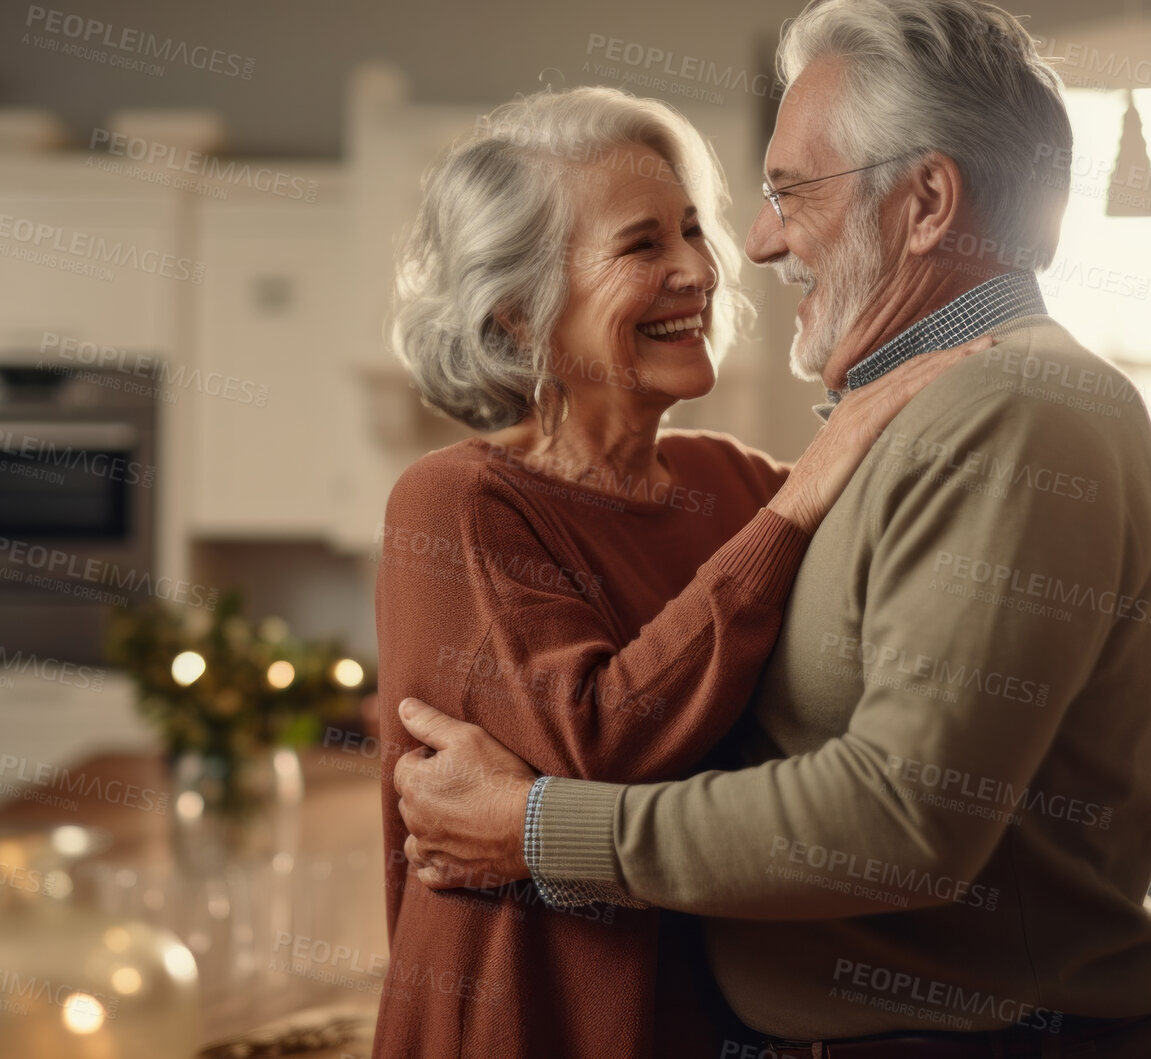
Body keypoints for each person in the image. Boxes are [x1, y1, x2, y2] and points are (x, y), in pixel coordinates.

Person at [393, 1, 1151, 1056]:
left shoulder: (1007, 411)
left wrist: (535, 827)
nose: (751, 246)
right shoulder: (897, 431)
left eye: (784, 194)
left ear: (924, 202)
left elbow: (898, 823)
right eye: (648, 239)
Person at [372, 83, 989, 1058]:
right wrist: (799, 500)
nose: (698, 271)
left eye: (693, 232)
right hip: (529, 1026)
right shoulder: (456, 503)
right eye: (640, 246)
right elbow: (597, 744)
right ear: (520, 315)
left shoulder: (730, 484)